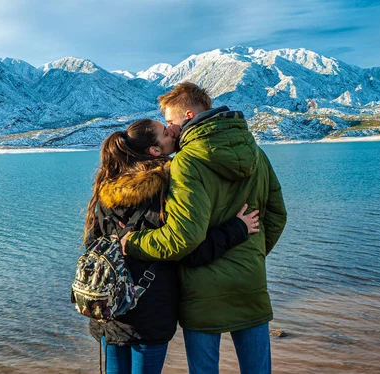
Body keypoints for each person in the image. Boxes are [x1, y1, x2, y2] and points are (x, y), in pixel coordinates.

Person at [121, 83, 287, 374]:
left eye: (171, 123)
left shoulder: (187, 161)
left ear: (187, 115)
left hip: (201, 289)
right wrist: (253, 255)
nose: (170, 131)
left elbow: (183, 237)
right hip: (251, 282)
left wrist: (133, 242)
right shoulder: (256, 152)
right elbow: (276, 215)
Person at [84, 118, 261, 374]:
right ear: (155, 151)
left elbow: (92, 245)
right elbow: (189, 249)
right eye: (166, 133)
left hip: (107, 309)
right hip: (150, 312)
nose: (173, 133)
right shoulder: (164, 191)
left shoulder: (105, 189)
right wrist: (237, 229)